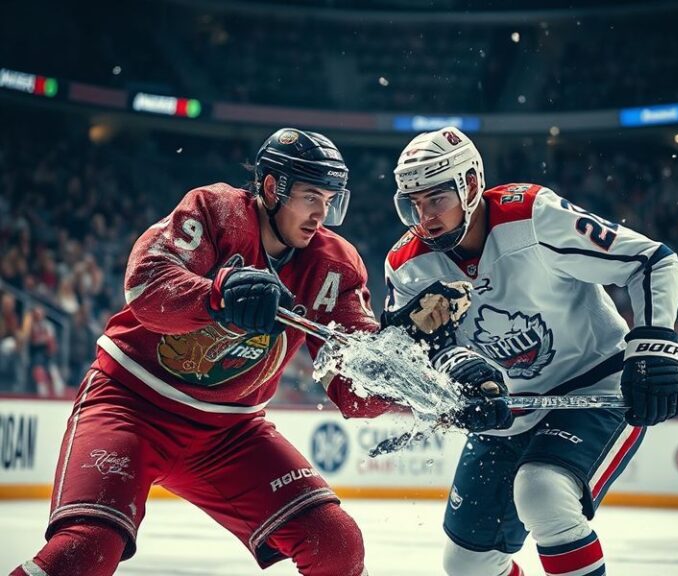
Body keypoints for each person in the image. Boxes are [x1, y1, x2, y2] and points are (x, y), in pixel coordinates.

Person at [12, 128, 398, 576]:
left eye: (330, 200)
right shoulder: (216, 210)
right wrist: (218, 294)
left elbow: (355, 390)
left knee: (335, 545)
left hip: (231, 431)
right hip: (130, 405)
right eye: (311, 196)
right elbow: (146, 284)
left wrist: (414, 364)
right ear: (272, 187)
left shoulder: (335, 265)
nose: (321, 214)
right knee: (87, 549)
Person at [382, 127, 678, 576]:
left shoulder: (532, 215)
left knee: (542, 491)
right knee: (468, 565)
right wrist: (457, 378)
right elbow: (414, 352)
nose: (425, 217)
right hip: (508, 409)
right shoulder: (406, 265)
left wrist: (654, 350)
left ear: (470, 184)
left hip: (593, 384)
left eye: (436, 199)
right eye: (414, 204)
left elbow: (653, 261)